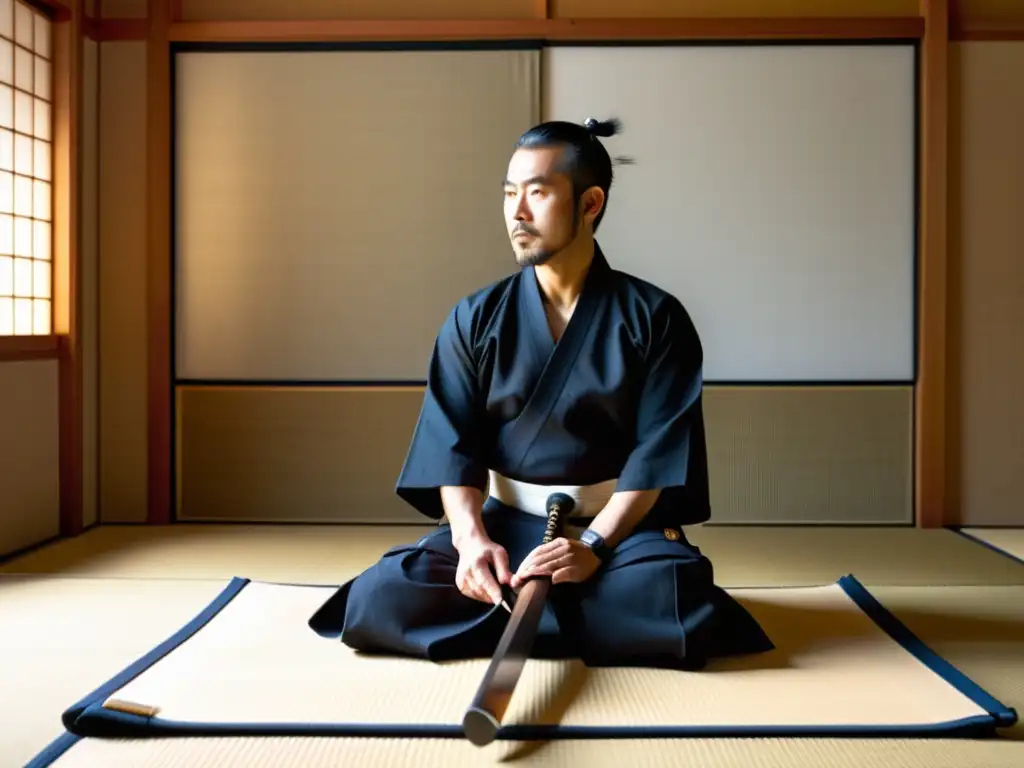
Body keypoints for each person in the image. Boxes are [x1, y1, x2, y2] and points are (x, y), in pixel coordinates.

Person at [308, 117, 774, 670]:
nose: (517, 212)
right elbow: (449, 444)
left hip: (617, 534)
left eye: (537, 191)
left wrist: (594, 548)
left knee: (675, 596)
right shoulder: (476, 317)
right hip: (503, 526)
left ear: (590, 202)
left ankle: (535, 611)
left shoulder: (654, 318)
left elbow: (656, 458)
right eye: (509, 193)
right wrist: (470, 541)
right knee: (384, 595)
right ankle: (573, 618)